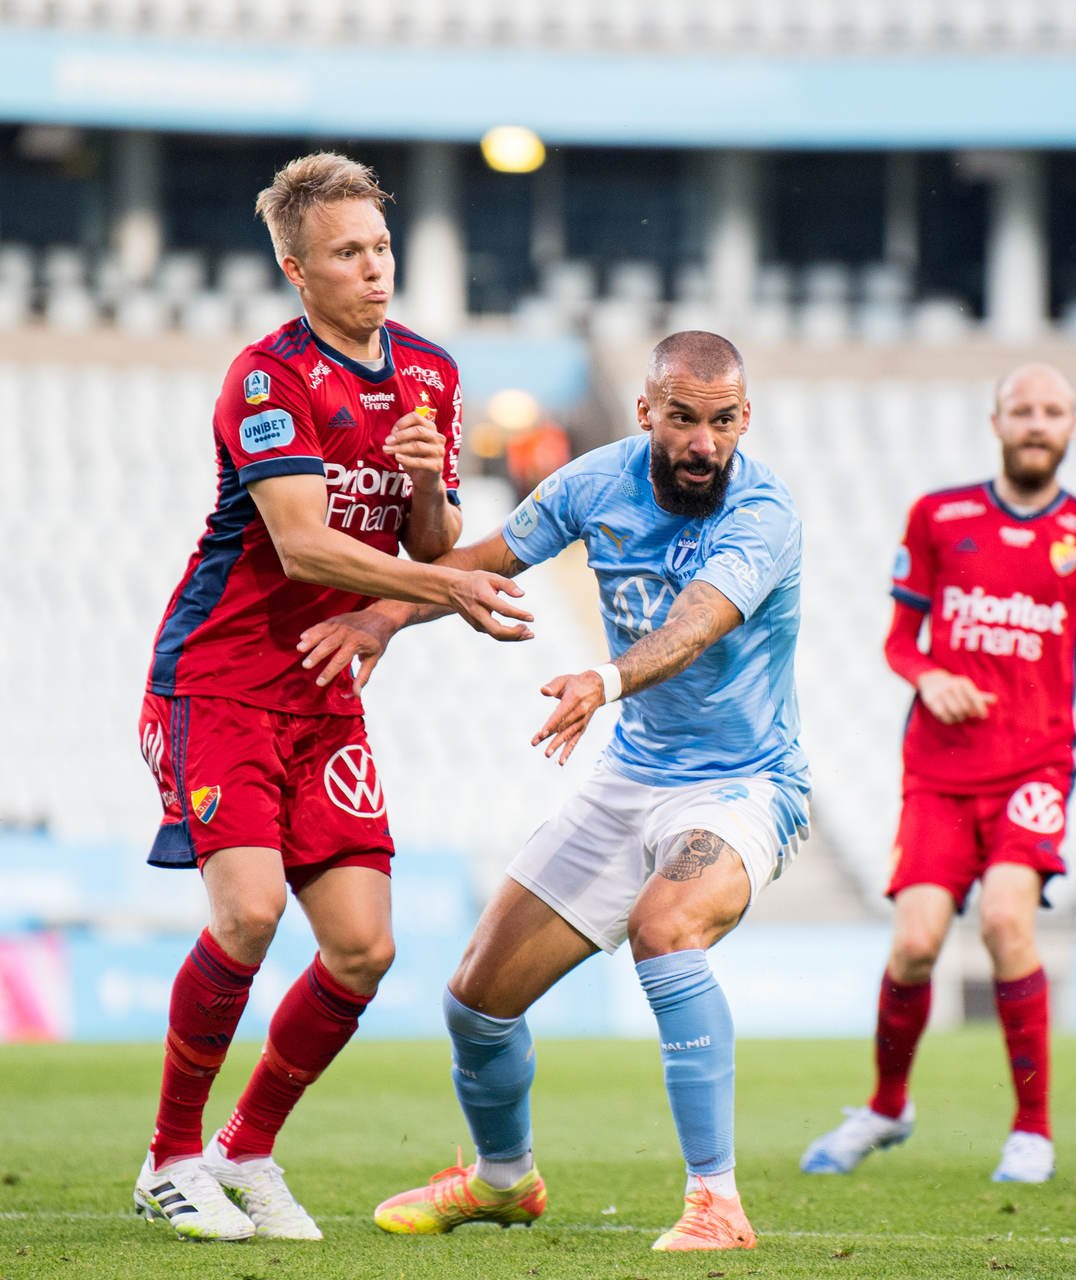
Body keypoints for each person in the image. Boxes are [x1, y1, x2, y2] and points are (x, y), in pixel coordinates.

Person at [304, 331, 805, 1253]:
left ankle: (717, 1204)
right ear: (647, 410)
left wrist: (603, 682)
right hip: (632, 776)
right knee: (476, 1001)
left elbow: (696, 627)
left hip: (741, 784)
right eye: (684, 418)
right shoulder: (595, 482)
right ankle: (503, 1181)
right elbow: (483, 560)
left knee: (667, 927)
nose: (704, 442)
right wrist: (381, 617)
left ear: (745, 418)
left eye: (723, 421)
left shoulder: (764, 514)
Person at [132, 152, 530, 1243]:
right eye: (348, 253)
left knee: (363, 946)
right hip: (216, 679)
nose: (374, 269)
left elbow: (430, 536)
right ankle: (169, 1156)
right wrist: (448, 586)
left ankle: (247, 1148)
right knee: (251, 910)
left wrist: (419, 485)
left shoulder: (433, 375)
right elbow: (305, 546)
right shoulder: (265, 377)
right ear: (298, 270)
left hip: (322, 696)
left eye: (382, 247)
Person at [799, 363, 1076, 1185]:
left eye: (1053, 410)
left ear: (1072, 426)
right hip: (938, 772)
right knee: (917, 942)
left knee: (1003, 923)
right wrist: (928, 676)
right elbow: (897, 641)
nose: (1036, 423)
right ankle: (886, 1107)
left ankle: (1032, 1130)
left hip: (1034, 765)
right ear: (996, 421)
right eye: (1022, 409)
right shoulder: (937, 516)